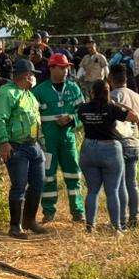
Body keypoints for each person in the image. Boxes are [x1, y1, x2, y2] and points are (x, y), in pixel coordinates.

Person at [0, 59, 47, 239]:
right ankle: (15, 226)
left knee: (38, 184)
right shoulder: (7, 94)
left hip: (34, 145)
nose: (33, 78)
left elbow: (36, 119)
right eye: (32, 75)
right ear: (26, 75)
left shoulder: (29, 95)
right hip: (17, 147)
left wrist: (42, 142)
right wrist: (4, 142)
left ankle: (29, 220)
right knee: (19, 186)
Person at [76, 80, 138, 233]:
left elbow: (81, 118)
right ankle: (117, 227)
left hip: (89, 148)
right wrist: (121, 105)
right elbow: (135, 117)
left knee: (92, 191)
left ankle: (90, 226)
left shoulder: (83, 108)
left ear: (92, 93)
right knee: (112, 191)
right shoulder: (111, 108)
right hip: (110, 148)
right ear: (107, 93)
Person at [33, 54, 85, 224]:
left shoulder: (74, 88)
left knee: (73, 175)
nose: (66, 70)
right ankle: (48, 212)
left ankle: (78, 211)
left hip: (68, 140)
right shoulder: (39, 91)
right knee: (48, 176)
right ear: (52, 68)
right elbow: (32, 117)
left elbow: (83, 113)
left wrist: (71, 118)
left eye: (67, 67)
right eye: (62, 67)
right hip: (47, 142)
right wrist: (37, 139)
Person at [108, 64, 139, 229]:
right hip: (134, 142)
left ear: (110, 79)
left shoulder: (112, 97)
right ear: (126, 79)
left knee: (119, 184)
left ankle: (121, 219)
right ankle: (134, 218)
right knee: (132, 183)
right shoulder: (137, 97)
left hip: (118, 142)